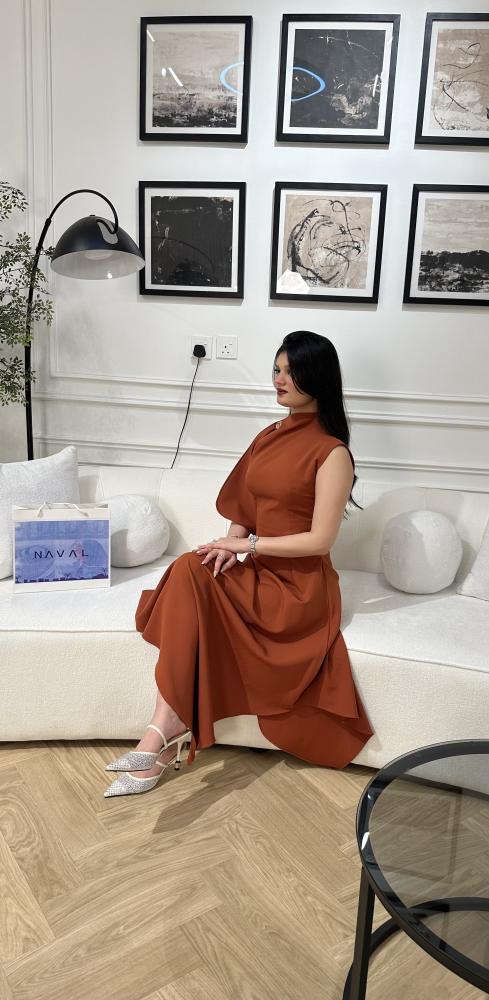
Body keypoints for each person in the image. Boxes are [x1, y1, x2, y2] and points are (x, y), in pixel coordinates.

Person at [104, 330, 374, 797]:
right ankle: (164, 730)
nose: (279, 380)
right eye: (276, 370)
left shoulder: (333, 452)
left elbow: (320, 540)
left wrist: (248, 547)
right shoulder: (268, 436)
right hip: (258, 567)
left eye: (291, 372)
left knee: (190, 573)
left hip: (298, 590)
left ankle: (161, 736)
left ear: (318, 377)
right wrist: (229, 547)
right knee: (193, 567)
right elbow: (242, 509)